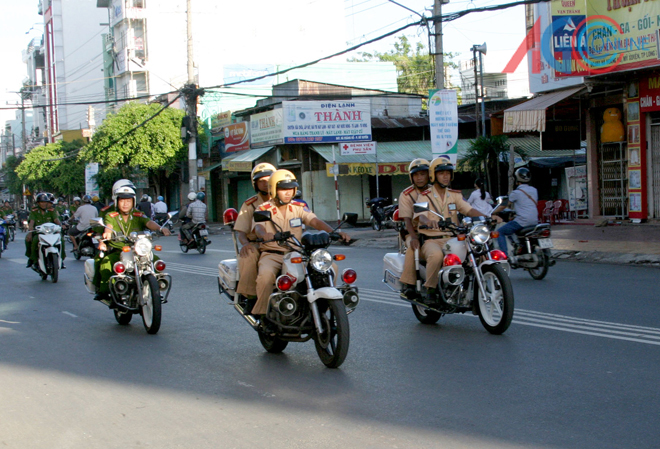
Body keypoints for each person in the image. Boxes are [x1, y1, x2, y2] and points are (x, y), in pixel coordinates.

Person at [251, 169, 350, 317]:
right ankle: (263, 315)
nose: (288, 192)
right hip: (273, 254)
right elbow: (258, 227)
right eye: (283, 189)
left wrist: (334, 232)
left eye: (291, 188)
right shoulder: (264, 208)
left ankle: (326, 305)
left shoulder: (298, 207)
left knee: (330, 267)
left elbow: (314, 221)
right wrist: (264, 234)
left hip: (297, 252)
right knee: (265, 276)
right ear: (273, 189)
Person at [398, 156, 485, 302]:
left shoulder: (455, 195)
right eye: (441, 173)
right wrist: (427, 221)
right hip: (431, 238)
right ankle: (429, 288)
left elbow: (469, 210)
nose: (445, 176)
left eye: (448, 173)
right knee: (435, 255)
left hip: (452, 237)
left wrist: (488, 216)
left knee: (476, 249)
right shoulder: (423, 196)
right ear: (434, 175)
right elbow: (419, 215)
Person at [93, 183, 171, 302]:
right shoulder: (111, 215)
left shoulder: (138, 215)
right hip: (119, 249)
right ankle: (105, 291)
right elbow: (108, 225)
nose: (125, 204)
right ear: (117, 202)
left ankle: (155, 290)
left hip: (137, 249)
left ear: (133, 202)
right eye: (122, 201)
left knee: (156, 261)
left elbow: (148, 222)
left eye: (128, 201)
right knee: (106, 263)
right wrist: (107, 232)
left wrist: (160, 228)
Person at [234, 162, 275, 307]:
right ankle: (251, 297)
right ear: (255, 184)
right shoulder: (250, 204)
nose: (266, 184)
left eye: (269, 180)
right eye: (261, 181)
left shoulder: (285, 199)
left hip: (284, 242)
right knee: (249, 254)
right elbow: (242, 231)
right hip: (258, 243)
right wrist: (245, 244)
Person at [491, 167, 538, 259]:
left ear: (517, 179)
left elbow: (504, 205)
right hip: (535, 221)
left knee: (500, 232)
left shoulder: (516, 193)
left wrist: (492, 212)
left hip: (523, 221)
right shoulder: (534, 190)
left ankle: (505, 256)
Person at [25, 193, 62, 268]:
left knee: (62, 240)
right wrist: (30, 232)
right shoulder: (34, 211)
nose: (43, 204)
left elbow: (56, 220)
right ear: (38, 203)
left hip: (51, 233)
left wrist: (61, 226)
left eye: (45, 202)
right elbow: (31, 222)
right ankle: (33, 259)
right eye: (41, 202)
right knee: (32, 240)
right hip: (39, 233)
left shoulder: (51, 211)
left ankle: (61, 259)